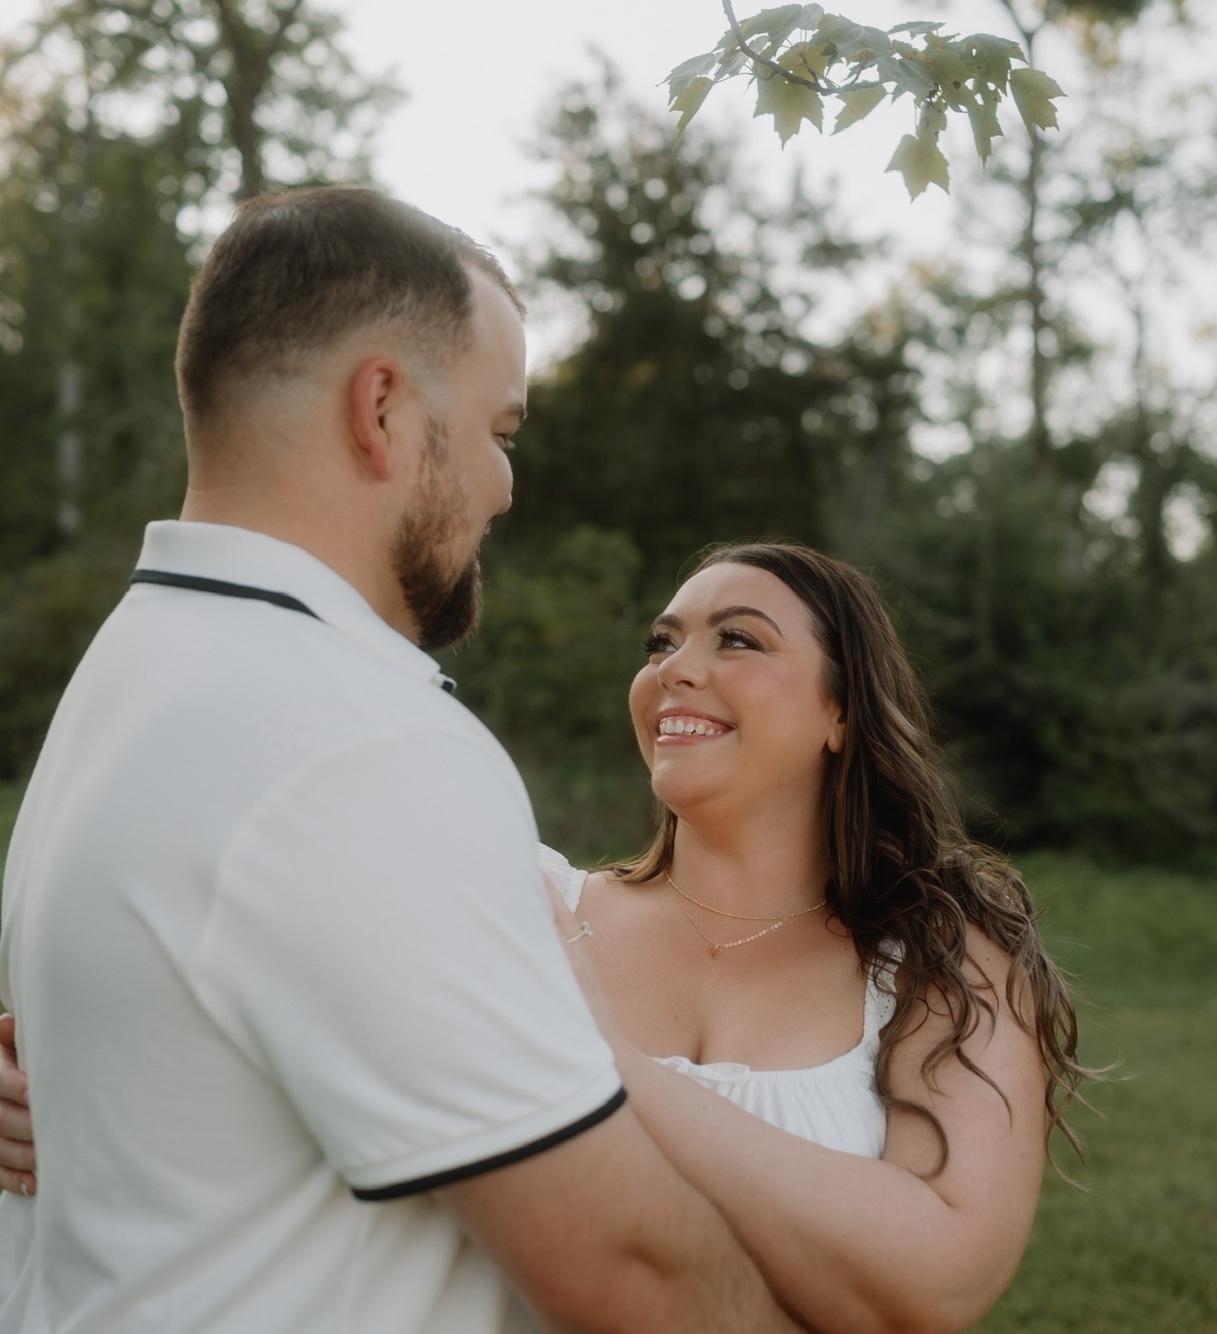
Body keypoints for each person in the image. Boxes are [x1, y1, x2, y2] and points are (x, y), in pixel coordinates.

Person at [0, 187, 801, 1334]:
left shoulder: (133, 668)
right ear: (380, 408)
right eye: (497, 432)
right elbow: (629, 1267)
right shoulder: (358, 742)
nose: (504, 485)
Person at [1, 534, 1097, 1331]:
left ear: (840, 712)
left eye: (738, 639)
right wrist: (93, 1085)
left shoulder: (940, 955)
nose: (677, 667)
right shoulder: (519, 895)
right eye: (662, 640)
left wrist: (607, 1062)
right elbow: (241, 960)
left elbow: (934, 1281)